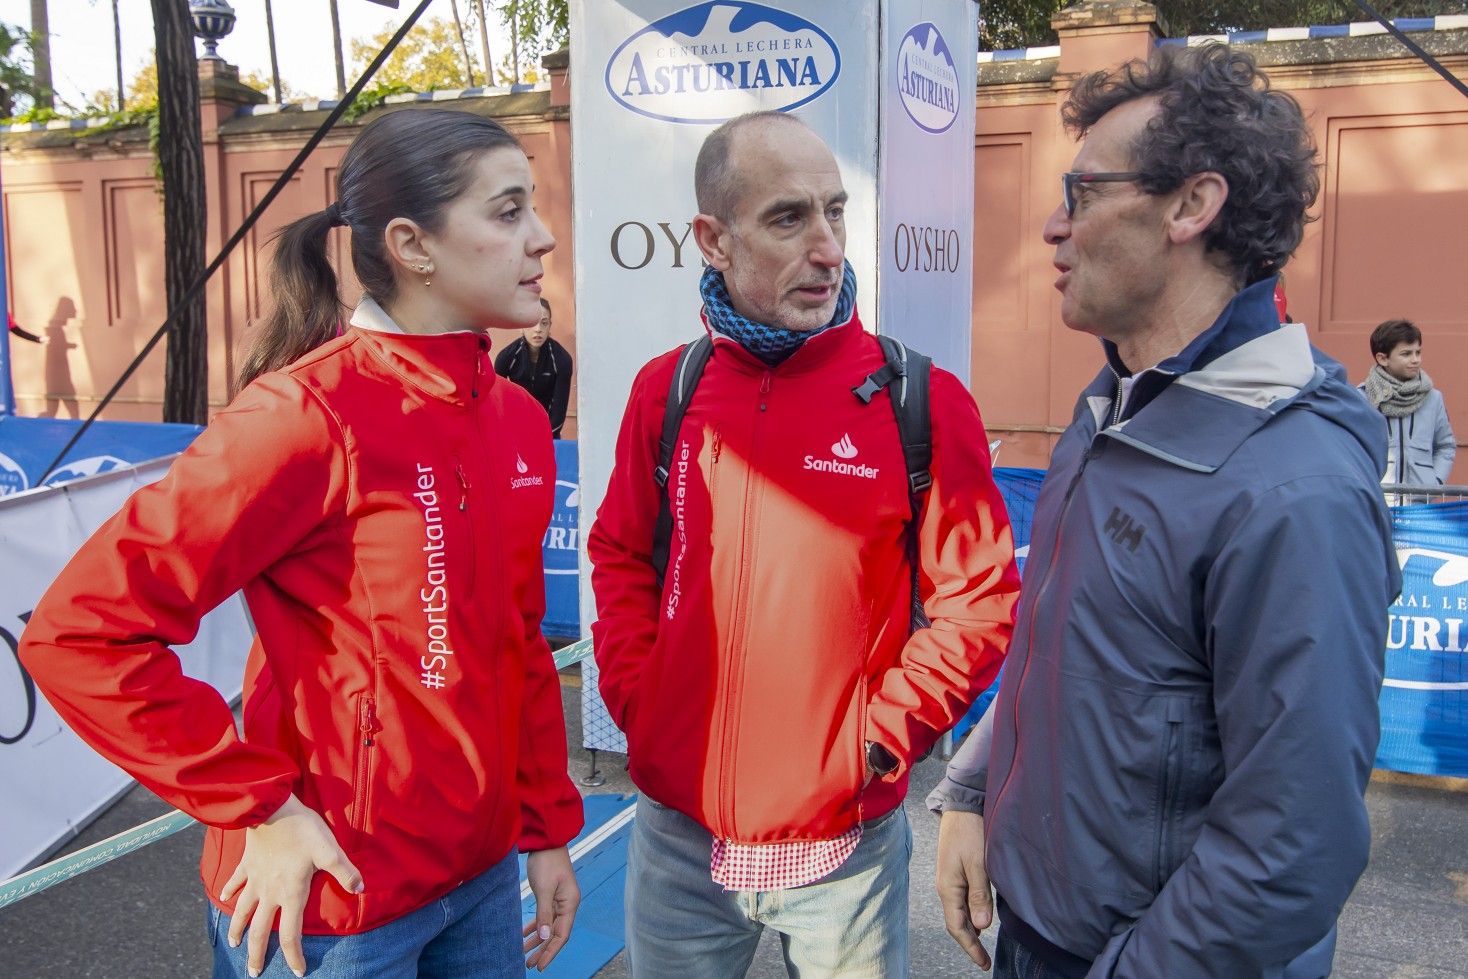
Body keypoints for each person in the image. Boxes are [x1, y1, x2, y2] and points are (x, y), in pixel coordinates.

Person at [20, 109, 583, 979]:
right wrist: (257, 805)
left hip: (478, 879)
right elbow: (79, 634)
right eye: (509, 212)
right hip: (328, 905)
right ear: (412, 245)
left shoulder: (512, 418)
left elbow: (518, 644)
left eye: (533, 208)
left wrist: (544, 827)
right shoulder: (302, 416)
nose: (542, 237)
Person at [928, 44, 1401, 978]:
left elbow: (1291, 846)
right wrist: (972, 790)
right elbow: (1058, 650)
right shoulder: (1111, 409)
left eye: (1082, 192)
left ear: (1192, 206)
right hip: (1037, 928)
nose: (1052, 226)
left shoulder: (1295, 489)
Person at [588, 111, 1020, 977]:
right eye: (788, 218)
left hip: (845, 854)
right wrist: (642, 699)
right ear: (714, 239)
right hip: (679, 841)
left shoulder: (919, 398)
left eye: (835, 211)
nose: (827, 249)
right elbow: (621, 555)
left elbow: (978, 604)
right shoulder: (668, 389)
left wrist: (879, 738)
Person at [1360, 318, 1456, 487]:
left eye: (1418, 352)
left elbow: (1445, 446)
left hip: (1421, 499)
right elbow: (1350, 448)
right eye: (1406, 354)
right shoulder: (1362, 397)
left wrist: (1435, 482)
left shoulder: (1433, 398)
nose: (1415, 359)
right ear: (1382, 358)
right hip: (1377, 497)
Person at [494, 298, 573, 437]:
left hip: (548, 432)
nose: (538, 330)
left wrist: (542, 437)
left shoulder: (562, 359)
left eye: (544, 323)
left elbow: (558, 413)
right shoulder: (506, 358)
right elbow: (498, 403)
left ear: (550, 326)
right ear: (521, 326)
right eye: (532, 323)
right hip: (515, 431)